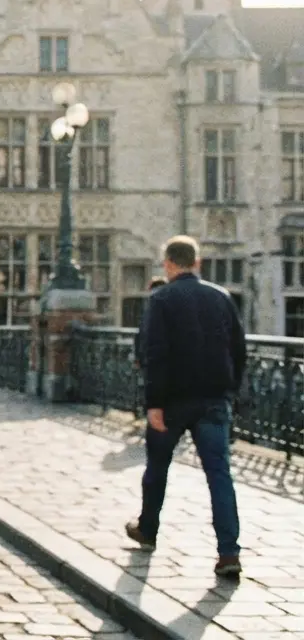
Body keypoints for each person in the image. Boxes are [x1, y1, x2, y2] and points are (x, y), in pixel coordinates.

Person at [128, 235, 245, 579]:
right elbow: (238, 350)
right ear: (198, 263)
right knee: (219, 475)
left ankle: (148, 529)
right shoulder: (222, 297)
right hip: (213, 400)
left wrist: (153, 403)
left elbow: (155, 353)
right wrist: (230, 391)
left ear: (168, 264)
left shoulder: (161, 299)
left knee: (158, 467)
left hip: (173, 400)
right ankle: (228, 552)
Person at [133, 276, 169, 370]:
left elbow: (141, 331)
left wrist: (138, 357)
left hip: (149, 353)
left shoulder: (149, 301)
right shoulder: (169, 298)